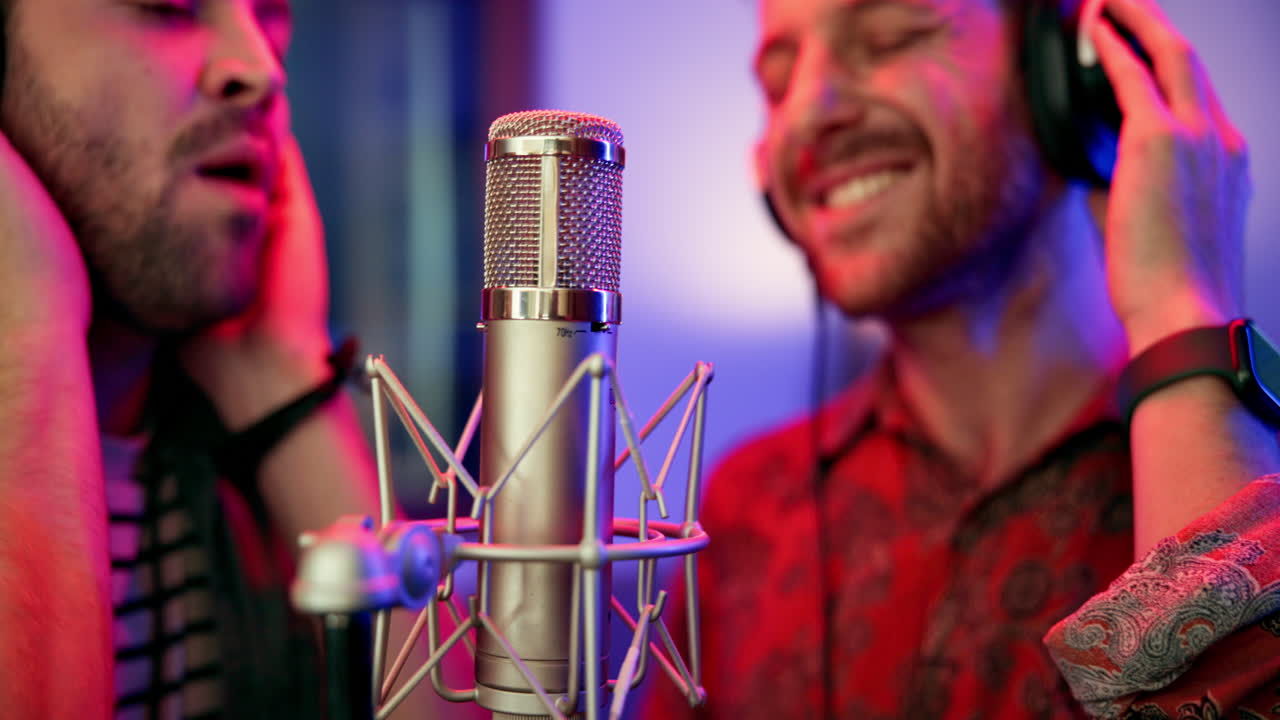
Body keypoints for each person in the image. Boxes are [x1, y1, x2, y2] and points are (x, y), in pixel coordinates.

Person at [643, 0, 1280, 717]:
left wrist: (1180, 306)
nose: (808, 112)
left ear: (1061, 83)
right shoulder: (745, 510)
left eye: (893, 35)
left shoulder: (1261, 485)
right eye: (779, 81)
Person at [0, 1, 482, 717]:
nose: (260, 68)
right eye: (168, 6)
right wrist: (25, 368)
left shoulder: (232, 472)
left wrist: (283, 381)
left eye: (272, 14)